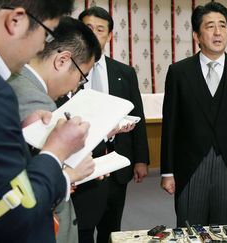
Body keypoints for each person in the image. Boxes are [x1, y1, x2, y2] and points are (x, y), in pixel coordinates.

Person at [0, 1, 93, 242]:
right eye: (47, 34)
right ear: (15, 20)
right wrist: (55, 152)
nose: (42, 46)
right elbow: (13, 212)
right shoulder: (1, 93)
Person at [160, 1, 227, 226]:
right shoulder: (179, 72)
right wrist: (167, 171)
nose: (217, 32)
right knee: (189, 230)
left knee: (226, 230)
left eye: (223, 26)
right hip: (191, 164)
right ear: (197, 35)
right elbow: (171, 124)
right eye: (210, 26)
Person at [74, 6, 150, 243]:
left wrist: (140, 159)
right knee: (82, 228)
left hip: (116, 165)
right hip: (81, 165)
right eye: (89, 29)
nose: (95, 34)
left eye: (101, 29)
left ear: (109, 36)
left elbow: (137, 115)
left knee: (112, 228)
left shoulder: (124, 72)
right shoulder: (69, 69)